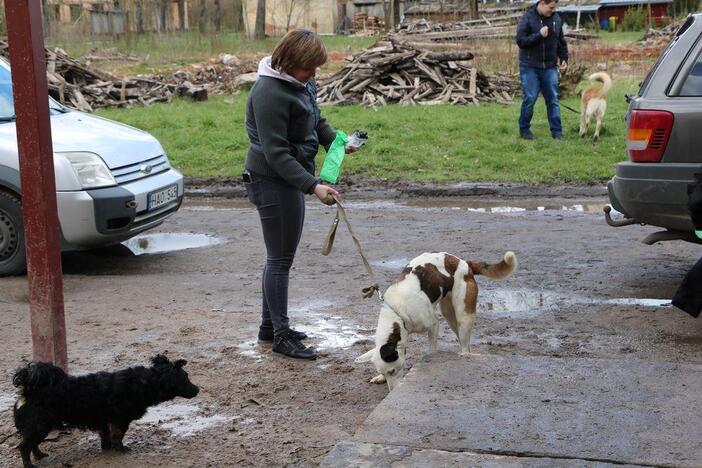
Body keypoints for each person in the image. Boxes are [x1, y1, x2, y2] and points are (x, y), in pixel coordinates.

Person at [243, 29, 344, 360]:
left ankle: (268, 327)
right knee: (279, 260)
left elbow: (314, 118)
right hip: (271, 180)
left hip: (287, 179)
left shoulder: (300, 82)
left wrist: (336, 142)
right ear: (289, 62)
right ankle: (281, 335)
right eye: (310, 68)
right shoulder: (268, 93)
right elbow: (276, 154)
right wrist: (313, 185)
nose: (315, 74)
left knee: (278, 257)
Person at [516, 0, 569, 140]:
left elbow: (561, 42)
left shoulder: (556, 19)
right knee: (530, 98)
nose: (553, 10)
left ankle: (557, 133)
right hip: (529, 66)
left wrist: (563, 58)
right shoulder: (527, 17)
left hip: (549, 67)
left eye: (554, 7)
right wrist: (539, 35)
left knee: (553, 100)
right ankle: (524, 130)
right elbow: (520, 41)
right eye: (551, 7)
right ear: (543, 3)